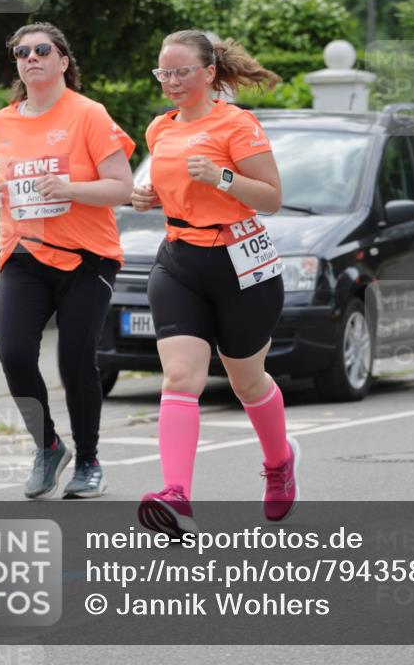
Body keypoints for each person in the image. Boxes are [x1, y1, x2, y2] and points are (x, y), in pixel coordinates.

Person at [131, 29, 299, 535]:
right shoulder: (159, 129)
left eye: (182, 71)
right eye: (164, 72)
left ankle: (279, 463)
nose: (171, 81)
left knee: (247, 381)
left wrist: (222, 177)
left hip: (239, 265)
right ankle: (176, 495)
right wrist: (148, 198)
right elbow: (174, 190)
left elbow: (271, 197)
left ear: (208, 73)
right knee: (181, 378)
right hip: (179, 262)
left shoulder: (237, 124)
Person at [0, 22, 134, 499]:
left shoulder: (88, 114)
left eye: (42, 49)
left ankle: (88, 460)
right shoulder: (3, 122)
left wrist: (70, 189)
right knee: (14, 355)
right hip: (24, 253)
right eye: (21, 52)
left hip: (87, 258)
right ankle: (48, 446)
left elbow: (122, 187)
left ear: (63, 60)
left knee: (75, 359)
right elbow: (3, 191)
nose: (31, 57)